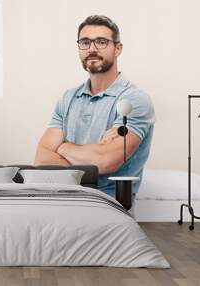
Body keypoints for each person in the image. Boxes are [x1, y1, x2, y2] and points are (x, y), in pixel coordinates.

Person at [34, 15, 155, 208]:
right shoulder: (67, 98)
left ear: (118, 49)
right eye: (85, 42)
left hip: (107, 208)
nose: (92, 49)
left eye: (101, 42)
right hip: (63, 203)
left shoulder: (134, 100)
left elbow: (105, 161)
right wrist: (90, 158)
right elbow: (41, 158)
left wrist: (63, 147)